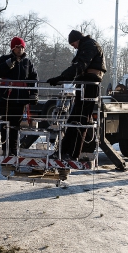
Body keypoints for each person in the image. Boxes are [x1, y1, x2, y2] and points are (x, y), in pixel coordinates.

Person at [46, 30, 107, 160]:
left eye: (73, 43)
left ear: (78, 39)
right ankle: (65, 152)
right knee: (75, 119)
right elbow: (79, 66)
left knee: (79, 120)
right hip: (85, 83)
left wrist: (61, 77)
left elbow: (80, 65)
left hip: (89, 84)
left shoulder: (89, 46)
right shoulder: (87, 45)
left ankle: (71, 154)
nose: (73, 46)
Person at [0, 37, 38, 155]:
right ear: (13, 48)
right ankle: (5, 150)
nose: (20, 49)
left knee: (16, 125)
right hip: (6, 98)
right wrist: (9, 63)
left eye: (22, 47)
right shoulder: (4, 59)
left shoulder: (27, 62)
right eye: (18, 47)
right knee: (6, 124)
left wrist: (33, 94)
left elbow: (33, 78)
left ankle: (14, 150)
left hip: (20, 99)